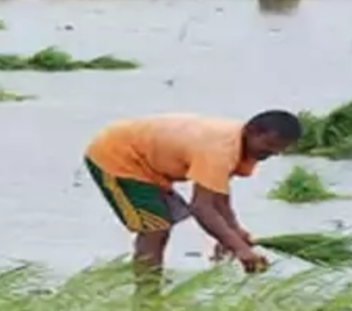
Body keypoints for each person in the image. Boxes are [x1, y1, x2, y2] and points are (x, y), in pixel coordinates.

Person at [84, 111, 302, 277]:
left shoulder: (238, 143)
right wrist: (240, 248)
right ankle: (147, 292)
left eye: (279, 150)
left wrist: (234, 231)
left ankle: (149, 284)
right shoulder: (218, 150)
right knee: (155, 228)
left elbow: (218, 195)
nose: (272, 154)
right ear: (252, 132)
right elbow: (202, 207)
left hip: (150, 162)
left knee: (159, 224)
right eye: (269, 146)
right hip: (118, 156)